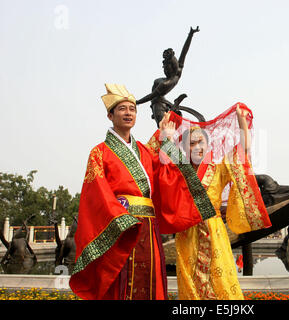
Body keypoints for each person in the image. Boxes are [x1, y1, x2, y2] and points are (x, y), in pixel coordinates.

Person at [69, 84, 217, 300]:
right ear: (110, 115)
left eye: (132, 109)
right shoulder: (99, 153)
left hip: (149, 227)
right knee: (122, 283)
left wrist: (167, 137)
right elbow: (96, 193)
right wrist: (121, 221)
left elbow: (169, 172)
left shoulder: (144, 151)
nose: (128, 113)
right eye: (122, 109)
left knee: (151, 281)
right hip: (123, 228)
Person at [167, 103, 271, 300]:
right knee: (190, 282)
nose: (197, 147)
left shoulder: (219, 167)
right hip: (187, 231)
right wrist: (167, 137)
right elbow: (162, 167)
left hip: (214, 230)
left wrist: (242, 124)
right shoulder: (180, 170)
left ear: (207, 145)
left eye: (201, 142)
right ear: (185, 148)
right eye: (192, 143)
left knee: (220, 278)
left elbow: (244, 151)